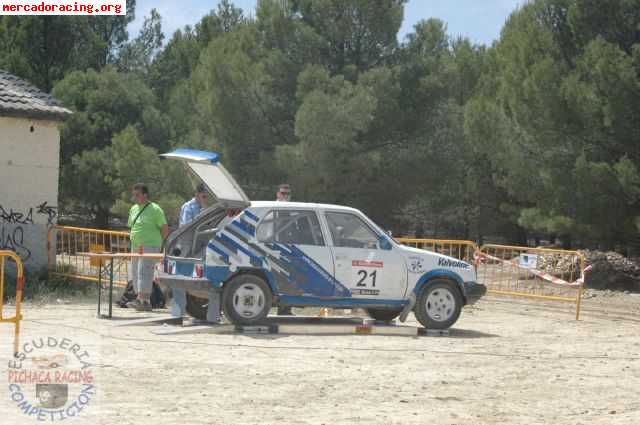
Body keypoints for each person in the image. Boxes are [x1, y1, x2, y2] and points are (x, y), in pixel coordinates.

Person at [171, 184, 222, 323]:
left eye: (207, 196)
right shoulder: (189, 207)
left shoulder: (204, 208)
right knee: (178, 278)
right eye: (204, 195)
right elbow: (185, 226)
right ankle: (178, 314)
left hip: (199, 245)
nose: (206, 198)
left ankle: (212, 316)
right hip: (187, 246)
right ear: (197, 194)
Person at [127, 183, 169, 311]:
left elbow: (165, 229)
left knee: (144, 272)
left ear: (145, 195)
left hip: (150, 245)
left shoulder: (155, 209)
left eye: (137, 195)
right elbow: (132, 226)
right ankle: (140, 299)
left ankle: (143, 301)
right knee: (134, 271)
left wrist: (159, 244)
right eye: (133, 195)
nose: (134, 197)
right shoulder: (133, 209)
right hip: (136, 246)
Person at [276, 183, 294, 316]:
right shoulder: (273, 208)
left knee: (288, 279)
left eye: (287, 194)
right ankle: (283, 309)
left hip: (287, 249)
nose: (285, 196)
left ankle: (285, 310)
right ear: (277, 194)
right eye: (283, 193)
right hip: (275, 249)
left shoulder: (290, 209)